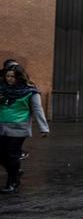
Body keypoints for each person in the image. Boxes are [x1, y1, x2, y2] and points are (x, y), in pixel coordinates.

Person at [0, 63, 49, 193]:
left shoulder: (30, 92)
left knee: (12, 155)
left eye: (13, 77)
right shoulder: (2, 89)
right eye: (7, 76)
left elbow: (37, 109)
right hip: (1, 126)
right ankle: (16, 171)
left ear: (19, 77)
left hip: (18, 128)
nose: (9, 79)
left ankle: (12, 182)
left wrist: (43, 128)